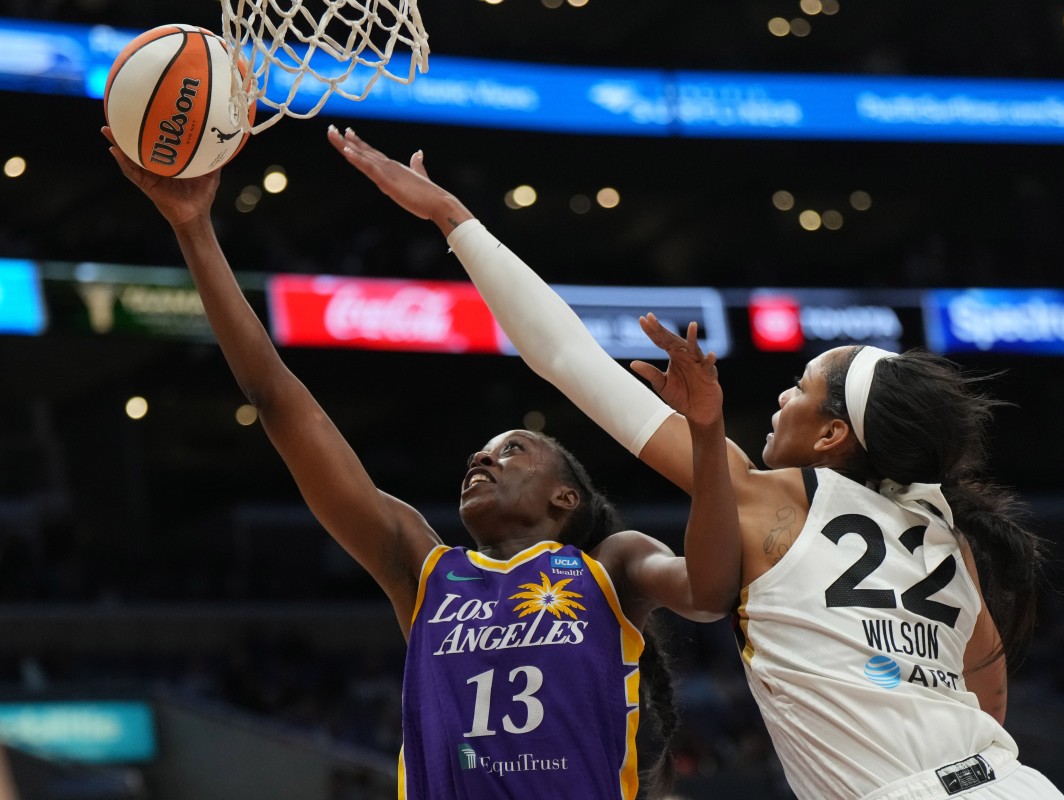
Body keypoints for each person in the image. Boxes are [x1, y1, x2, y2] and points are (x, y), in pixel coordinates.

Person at [328, 126, 1064, 800]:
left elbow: (566, 357)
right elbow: (986, 704)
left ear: (833, 437)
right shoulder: (952, 534)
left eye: (802, 387)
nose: (782, 393)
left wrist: (455, 221)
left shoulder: (767, 496)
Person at [101, 125, 733, 800]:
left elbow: (712, 590)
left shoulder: (610, 566)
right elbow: (276, 401)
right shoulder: (424, 568)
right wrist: (194, 227)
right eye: (482, 451)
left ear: (564, 500)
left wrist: (706, 434)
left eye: (511, 450)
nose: (480, 458)